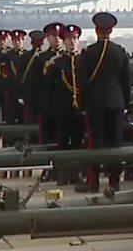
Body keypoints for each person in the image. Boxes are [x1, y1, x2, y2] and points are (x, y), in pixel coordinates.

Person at [77, 12, 130, 193]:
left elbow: (82, 81)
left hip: (95, 104)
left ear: (96, 30)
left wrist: (82, 104)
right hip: (116, 103)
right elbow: (126, 82)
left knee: (95, 144)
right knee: (116, 144)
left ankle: (93, 182)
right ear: (111, 30)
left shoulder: (88, 52)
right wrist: (125, 104)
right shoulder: (120, 51)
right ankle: (114, 181)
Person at [46, 25, 84, 185]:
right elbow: (49, 87)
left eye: (75, 39)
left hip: (79, 109)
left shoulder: (84, 61)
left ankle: (75, 173)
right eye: (69, 39)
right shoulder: (56, 63)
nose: (72, 42)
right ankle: (61, 173)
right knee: (62, 141)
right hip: (62, 108)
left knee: (77, 141)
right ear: (65, 41)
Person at [32, 23, 65, 145]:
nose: (57, 38)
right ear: (47, 37)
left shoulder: (69, 58)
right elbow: (35, 83)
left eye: (59, 36)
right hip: (47, 105)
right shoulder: (41, 58)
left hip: (64, 106)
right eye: (53, 35)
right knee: (45, 140)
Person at [18, 30, 46, 125]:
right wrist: (21, 93)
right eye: (37, 41)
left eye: (40, 41)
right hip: (29, 92)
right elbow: (21, 75)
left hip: (41, 92)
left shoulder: (45, 56)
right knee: (30, 119)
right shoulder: (26, 56)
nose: (39, 43)